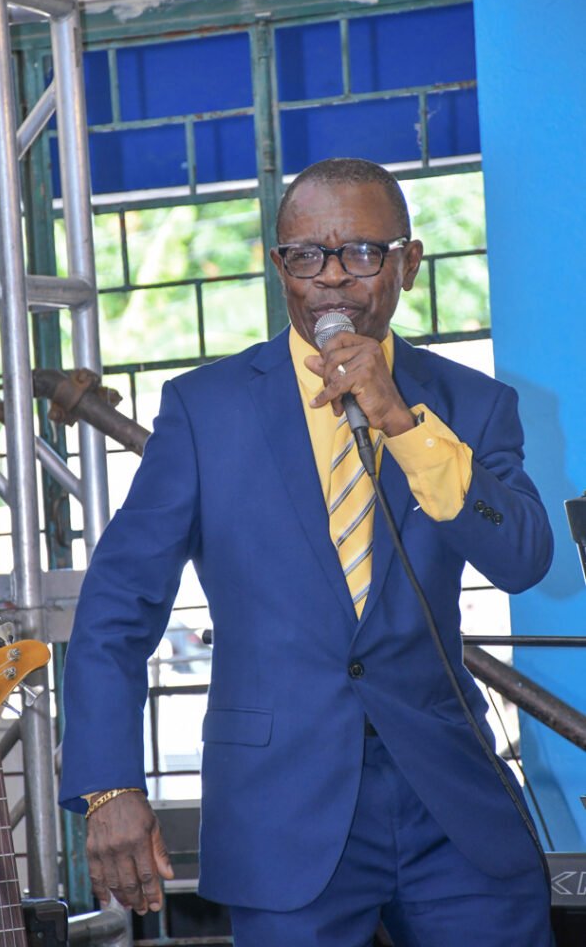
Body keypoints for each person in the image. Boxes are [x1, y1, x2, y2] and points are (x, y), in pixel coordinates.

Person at [60, 158, 554, 946]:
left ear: (408, 263)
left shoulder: (469, 403)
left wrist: (404, 426)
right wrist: (108, 784)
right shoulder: (204, 410)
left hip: (451, 810)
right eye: (304, 256)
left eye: (360, 252)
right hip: (279, 805)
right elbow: (119, 606)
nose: (330, 280)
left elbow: (524, 559)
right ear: (277, 266)